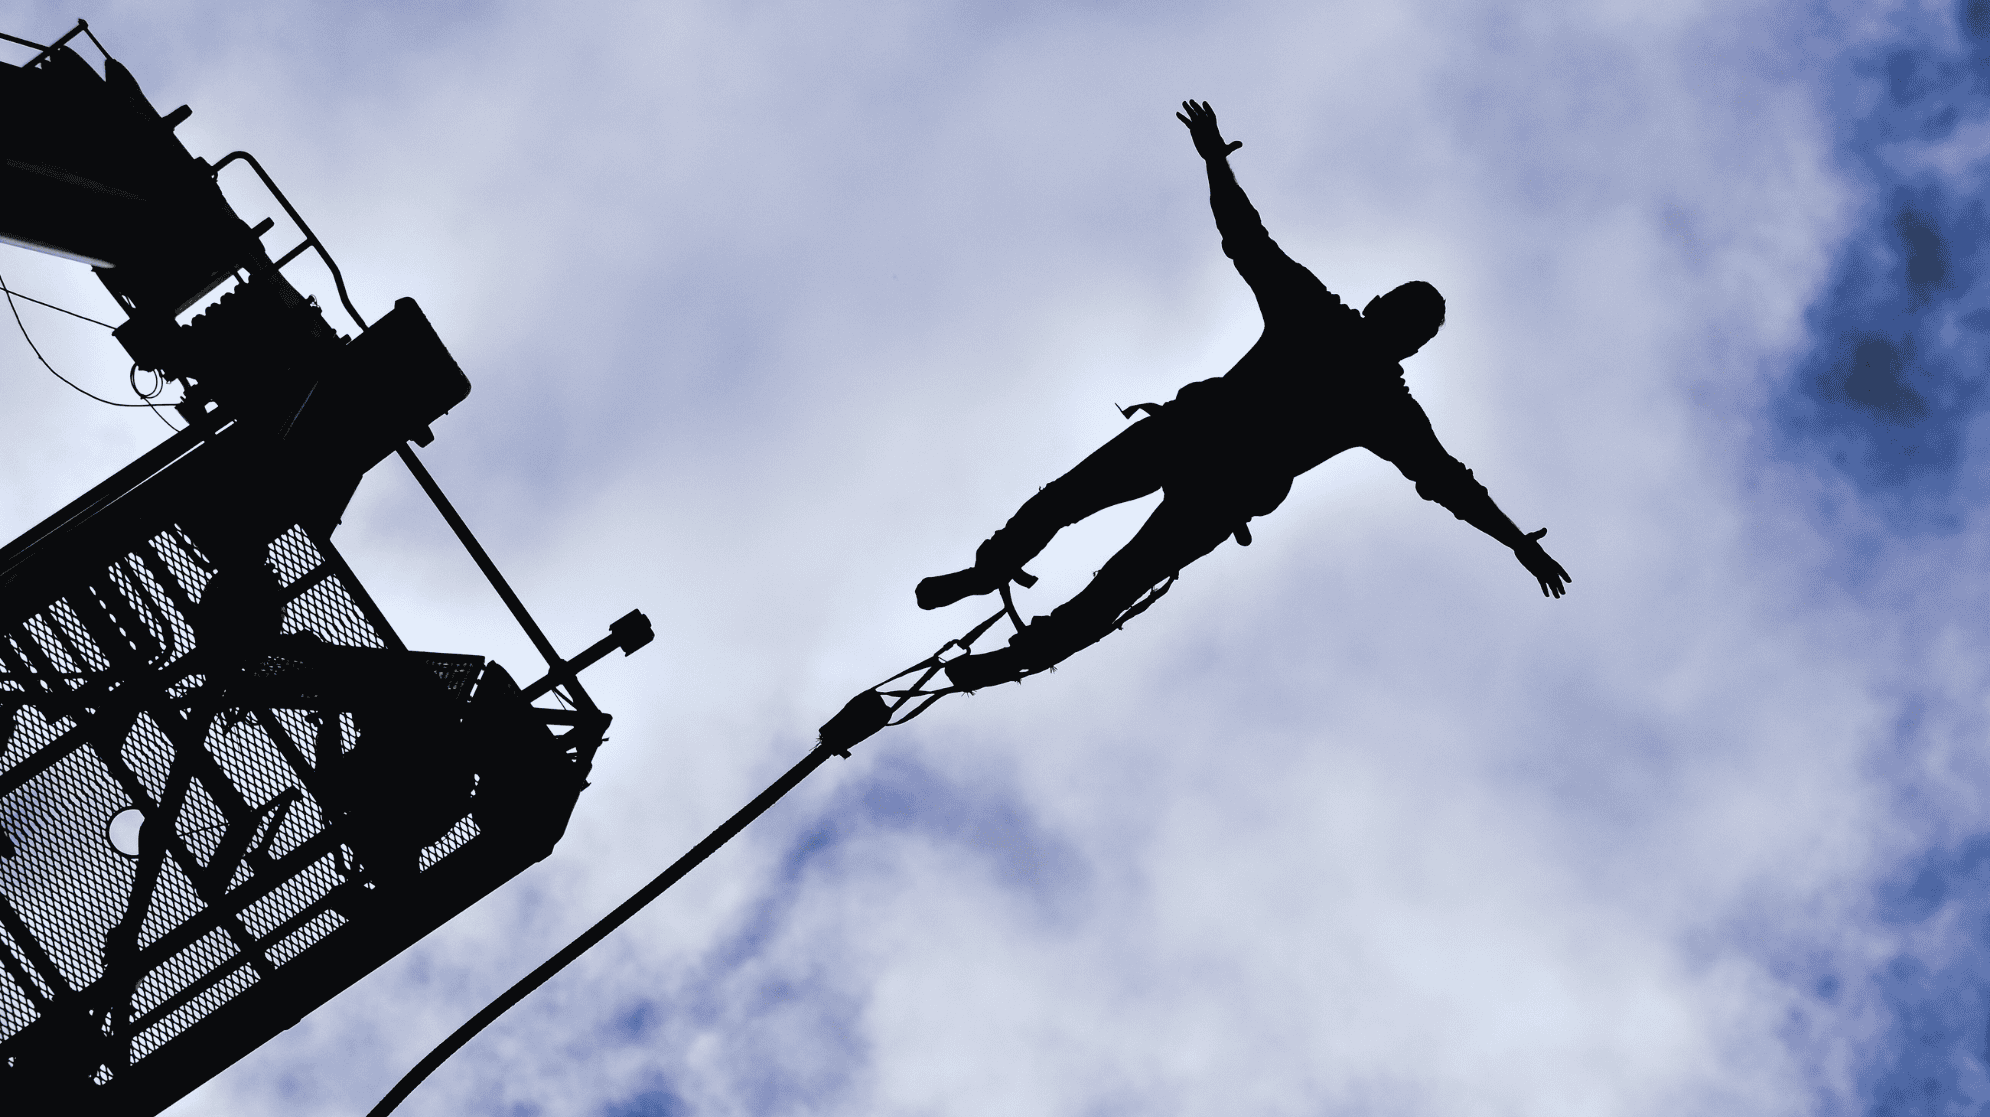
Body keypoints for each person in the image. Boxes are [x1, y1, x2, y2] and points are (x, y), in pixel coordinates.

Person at [925, 101, 1570, 691]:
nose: (1404, 332)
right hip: (1196, 442)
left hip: (1220, 480)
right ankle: (994, 578)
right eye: (1408, 318)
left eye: (1415, 329)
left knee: (1113, 570)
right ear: (1383, 312)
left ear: (1410, 345)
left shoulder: (1380, 398)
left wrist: (1513, 540)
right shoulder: (1324, 327)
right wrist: (1215, 165)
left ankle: (1020, 637)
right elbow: (1247, 237)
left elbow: (1449, 482)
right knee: (1075, 514)